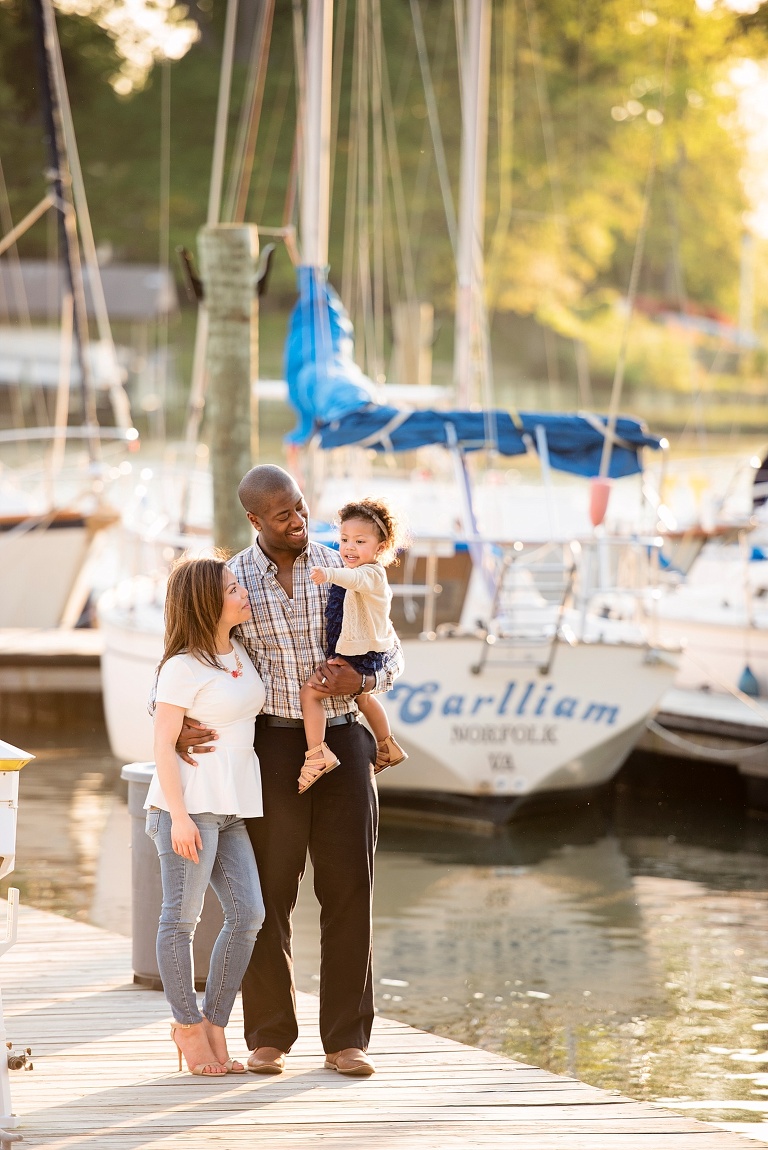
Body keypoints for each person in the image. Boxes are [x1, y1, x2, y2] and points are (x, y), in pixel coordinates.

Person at [176, 465, 404, 1078]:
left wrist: (366, 679)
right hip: (269, 751)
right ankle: (270, 1035)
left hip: (346, 741)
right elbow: (184, 656)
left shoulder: (344, 565)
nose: (298, 521)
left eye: (301, 507)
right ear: (255, 521)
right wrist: (170, 722)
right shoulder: (235, 582)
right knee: (269, 894)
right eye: (283, 515)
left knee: (349, 888)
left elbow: (391, 647)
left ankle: (347, 1039)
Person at [147, 555, 266, 1078]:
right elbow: (162, 745)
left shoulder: (239, 649)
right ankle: (186, 1026)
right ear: (206, 601)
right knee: (181, 920)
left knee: (250, 915)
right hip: (189, 807)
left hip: (233, 806)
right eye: (232, 586)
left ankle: (216, 1022)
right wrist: (178, 816)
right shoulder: (182, 666)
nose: (243, 591)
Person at [298, 497, 407, 793]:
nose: (349, 547)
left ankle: (317, 754)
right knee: (363, 699)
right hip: (362, 651)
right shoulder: (359, 570)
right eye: (344, 539)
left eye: (360, 541)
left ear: (380, 548)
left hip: (360, 655)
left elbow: (352, 579)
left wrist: (328, 573)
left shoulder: (371, 574)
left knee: (310, 694)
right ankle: (387, 745)